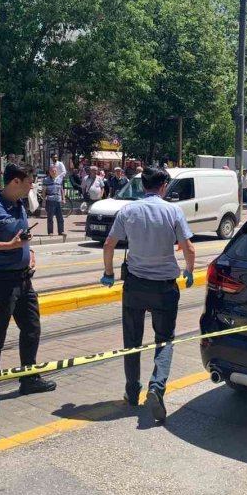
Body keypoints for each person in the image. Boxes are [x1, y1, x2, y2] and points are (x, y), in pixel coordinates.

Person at [100, 167, 195, 422]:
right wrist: (189, 271)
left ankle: (132, 393)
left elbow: (109, 245)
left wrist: (109, 272)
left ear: (143, 186)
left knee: (132, 340)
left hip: (135, 285)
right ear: (163, 186)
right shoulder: (173, 211)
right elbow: (188, 248)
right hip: (164, 287)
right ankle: (156, 387)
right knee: (164, 339)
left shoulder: (128, 211)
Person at [0, 163, 56, 415]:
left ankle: (29, 378)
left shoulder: (19, 205)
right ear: (15, 182)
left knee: (32, 329)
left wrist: (30, 252)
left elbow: (21, 237)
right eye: (28, 183)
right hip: (0, 282)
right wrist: (8, 246)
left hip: (24, 279)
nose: (31, 187)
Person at [43, 166, 65, 235]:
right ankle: (50, 232)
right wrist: (44, 200)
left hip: (58, 200)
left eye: (55, 171)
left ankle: (61, 231)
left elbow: (62, 190)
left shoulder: (60, 179)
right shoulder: (46, 180)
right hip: (50, 200)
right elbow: (44, 191)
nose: (54, 172)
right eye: (52, 171)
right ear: (49, 172)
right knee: (50, 217)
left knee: (60, 217)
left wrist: (63, 198)